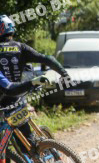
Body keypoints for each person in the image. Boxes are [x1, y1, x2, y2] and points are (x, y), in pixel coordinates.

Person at [0, 15, 69, 144]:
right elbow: (47, 59)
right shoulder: (20, 47)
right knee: (27, 141)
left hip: (5, 99)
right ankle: (36, 150)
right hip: (18, 98)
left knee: (7, 145)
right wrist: (64, 74)